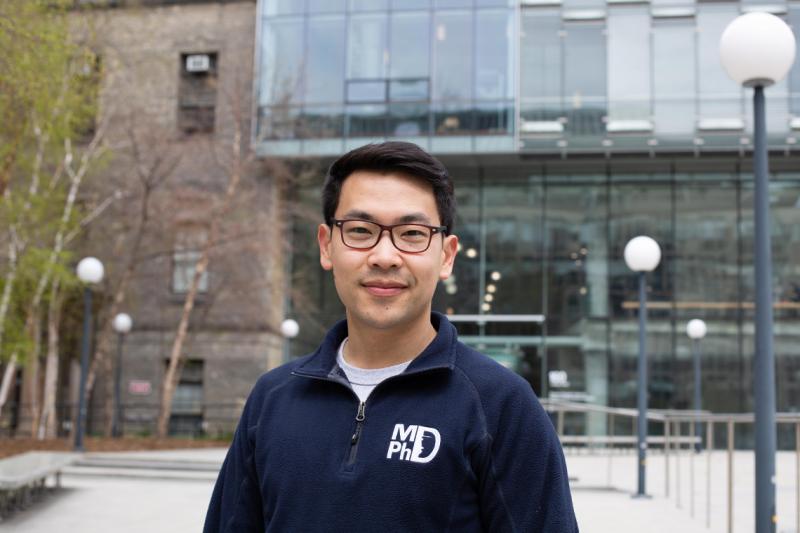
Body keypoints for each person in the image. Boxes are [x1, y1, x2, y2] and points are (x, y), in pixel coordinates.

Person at [203, 142, 579, 532]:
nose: (385, 256)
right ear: (326, 245)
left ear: (446, 255)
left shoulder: (501, 406)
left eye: (412, 233)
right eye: (361, 231)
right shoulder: (272, 398)